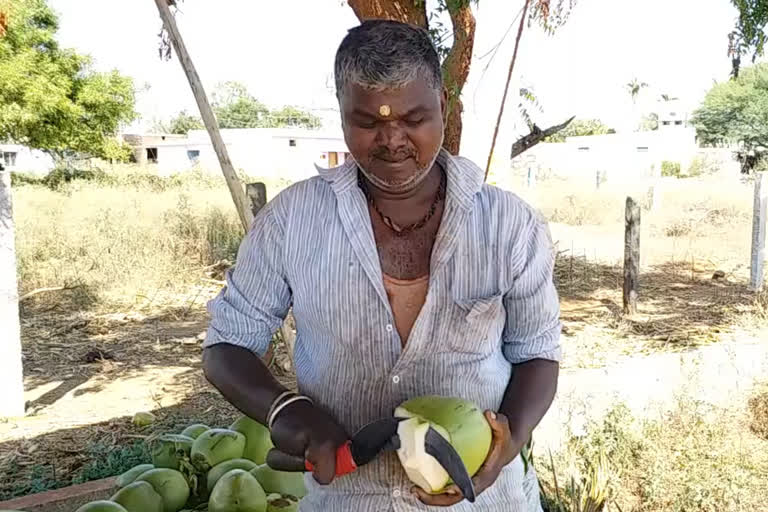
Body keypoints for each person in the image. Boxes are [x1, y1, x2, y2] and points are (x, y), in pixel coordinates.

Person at [202, 19, 561, 511]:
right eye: (368, 122)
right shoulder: (292, 222)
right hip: (348, 498)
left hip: (485, 497)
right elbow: (226, 345)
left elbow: (538, 352)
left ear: (443, 107)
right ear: (343, 115)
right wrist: (284, 408)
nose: (392, 140)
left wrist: (508, 442)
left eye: (413, 118)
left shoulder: (509, 225)